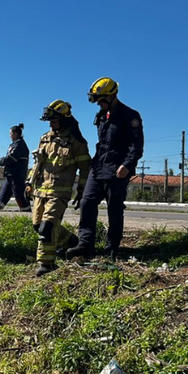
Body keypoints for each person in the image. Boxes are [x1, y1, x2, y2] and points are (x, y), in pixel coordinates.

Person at [67, 77, 143, 261]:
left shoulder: (130, 116)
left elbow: (137, 146)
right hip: (99, 166)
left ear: (111, 96)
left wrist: (127, 165)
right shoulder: (101, 116)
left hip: (117, 170)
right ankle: (86, 245)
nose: (98, 104)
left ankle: (111, 248)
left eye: (100, 100)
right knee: (86, 202)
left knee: (114, 208)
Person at [27, 99, 91, 277]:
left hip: (59, 193)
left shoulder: (76, 142)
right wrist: (28, 183)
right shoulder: (45, 138)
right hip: (40, 191)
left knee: (47, 227)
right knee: (37, 226)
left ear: (64, 120)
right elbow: (37, 164)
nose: (51, 125)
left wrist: (82, 191)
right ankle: (71, 242)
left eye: (54, 121)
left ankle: (46, 265)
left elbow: (85, 169)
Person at [0, 123, 31, 211]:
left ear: (15, 134)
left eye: (10, 133)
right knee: (4, 194)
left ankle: (26, 211)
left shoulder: (19, 145)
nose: (9, 135)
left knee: (19, 194)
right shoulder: (15, 144)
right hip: (10, 175)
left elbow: (10, 159)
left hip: (16, 175)